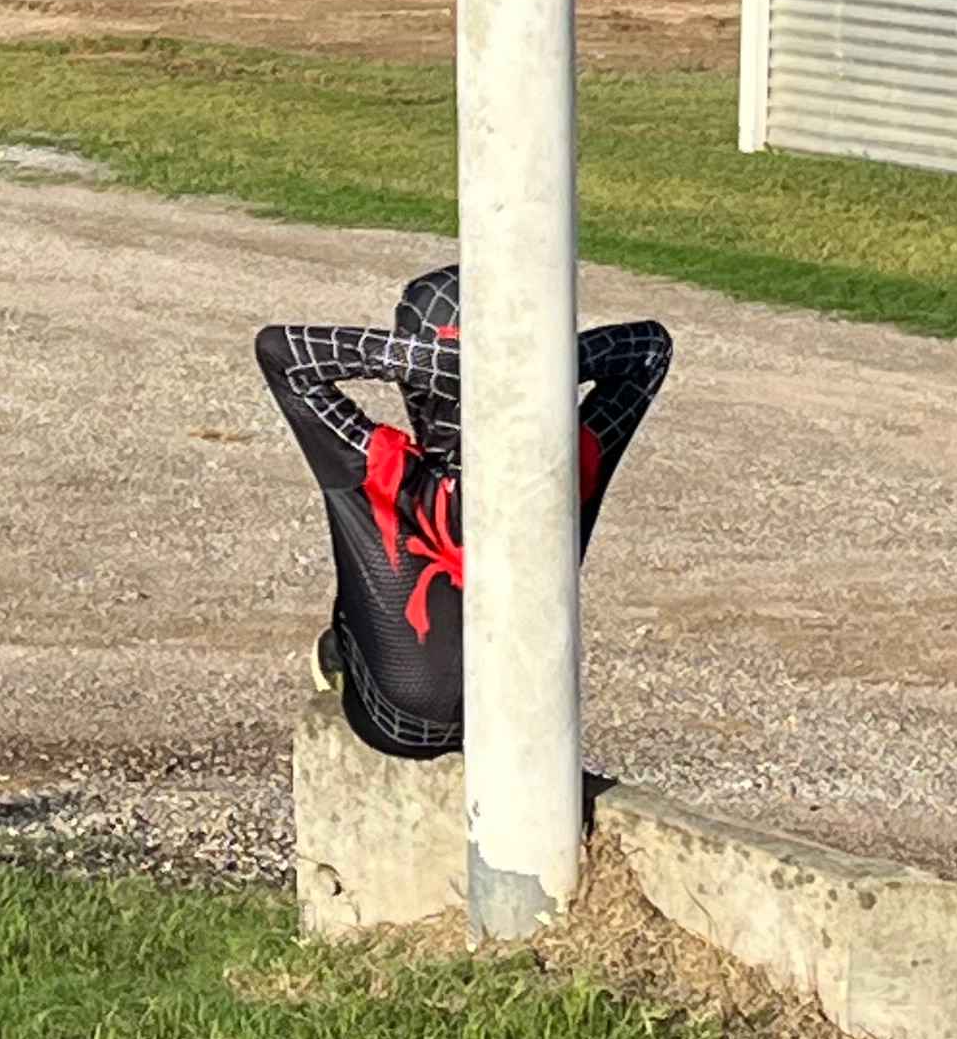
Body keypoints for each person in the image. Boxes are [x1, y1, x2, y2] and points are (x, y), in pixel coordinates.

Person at [254, 266, 672, 761]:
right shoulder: (559, 463)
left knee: (352, 575)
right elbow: (651, 349)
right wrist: (534, 369)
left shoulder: (387, 470)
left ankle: (341, 656)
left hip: (397, 720)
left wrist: (420, 360)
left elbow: (278, 353)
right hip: (525, 713)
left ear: (418, 383)